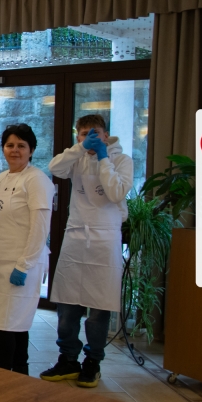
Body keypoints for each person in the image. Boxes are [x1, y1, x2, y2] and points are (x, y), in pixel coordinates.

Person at [42, 114, 133, 388]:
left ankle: (93, 361)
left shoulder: (121, 160)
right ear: (78, 137)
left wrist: (103, 158)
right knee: (67, 305)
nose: (90, 138)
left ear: (106, 135)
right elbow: (55, 168)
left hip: (105, 240)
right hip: (76, 236)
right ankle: (68, 358)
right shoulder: (77, 157)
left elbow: (116, 192)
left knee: (99, 307)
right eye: (84, 134)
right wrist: (80, 148)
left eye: (95, 133)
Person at [0, 124, 54, 374]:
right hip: (0, 262)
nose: (15, 150)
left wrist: (24, 264)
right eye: (10, 145)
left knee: (12, 324)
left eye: (21, 146)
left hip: (22, 263)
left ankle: (6, 373)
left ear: (32, 150)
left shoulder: (37, 180)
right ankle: (17, 374)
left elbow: (40, 227)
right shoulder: (0, 178)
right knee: (6, 324)